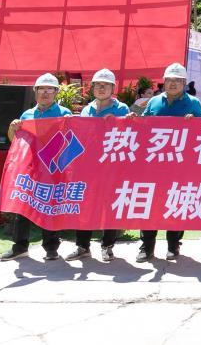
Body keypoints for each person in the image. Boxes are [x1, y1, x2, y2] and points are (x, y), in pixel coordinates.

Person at [135, 63, 201, 263]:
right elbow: (143, 127)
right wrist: (133, 119)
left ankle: (173, 245)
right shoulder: (154, 102)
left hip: (181, 165)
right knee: (151, 203)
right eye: (169, 80)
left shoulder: (194, 103)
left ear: (184, 83)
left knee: (176, 202)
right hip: (155, 164)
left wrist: (196, 123)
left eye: (177, 80)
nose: (173, 84)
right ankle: (146, 247)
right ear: (164, 82)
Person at [1, 73, 72, 261]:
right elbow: (16, 142)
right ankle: (20, 247)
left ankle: (51, 248)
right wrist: (12, 128)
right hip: (30, 168)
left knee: (51, 207)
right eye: (41, 88)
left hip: (54, 168)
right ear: (35, 91)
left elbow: (72, 140)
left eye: (50, 89)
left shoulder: (64, 114)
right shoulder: (27, 115)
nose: (45, 92)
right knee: (22, 205)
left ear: (56, 92)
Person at [65, 69, 130, 262]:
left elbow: (129, 133)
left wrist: (118, 123)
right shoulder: (87, 110)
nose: (101, 88)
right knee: (84, 204)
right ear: (92, 88)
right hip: (88, 166)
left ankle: (107, 246)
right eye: (98, 85)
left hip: (112, 165)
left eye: (106, 85)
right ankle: (82, 246)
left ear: (113, 88)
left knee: (109, 205)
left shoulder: (122, 109)